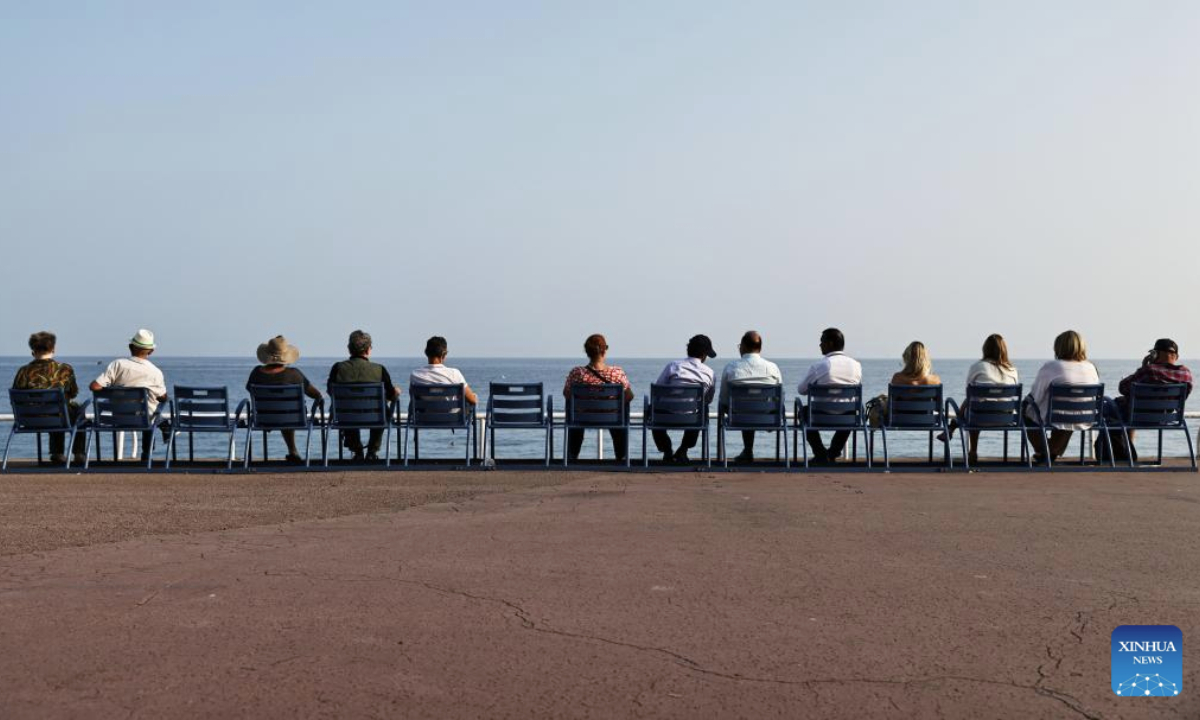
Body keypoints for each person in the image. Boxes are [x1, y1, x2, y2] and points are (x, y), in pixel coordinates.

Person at [1104, 338, 1193, 461]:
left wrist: (1143, 367)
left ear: (1155, 354)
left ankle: (1122, 453)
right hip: (1166, 417)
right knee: (1130, 406)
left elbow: (1123, 387)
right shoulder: (1186, 374)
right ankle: (1126, 451)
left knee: (1110, 406)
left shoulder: (1149, 370)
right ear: (1176, 356)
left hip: (1138, 416)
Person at [90, 329, 169, 461]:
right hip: (143, 419)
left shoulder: (117, 365)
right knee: (152, 412)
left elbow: (94, 386)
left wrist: (113, 391)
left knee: (148, 412)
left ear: (130, 347)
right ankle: (147, 454)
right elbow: (163, 397)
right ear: (151, 351)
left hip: (116, 418)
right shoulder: (155, 372)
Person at [1025, 330, 1101, 464]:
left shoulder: (1052, 366)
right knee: (1069, 412)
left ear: (1058, 347)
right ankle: (1052, 451)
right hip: (1084, 417)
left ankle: (1043, 451)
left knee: (1025, 411)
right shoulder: (1091, 367)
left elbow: (1036, 396)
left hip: (1058, 416)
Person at [11, 331, 85, 465]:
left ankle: (57, 453)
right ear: (53, 349)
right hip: (57, 416)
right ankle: (78, 453)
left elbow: (17, 397)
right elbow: (73, 392)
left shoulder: (23, 371)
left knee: (57, 409)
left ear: (33, 351)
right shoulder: (64, 369)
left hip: (29, 419)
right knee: (75, 410)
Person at [246, 335, 323, 463]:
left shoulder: (256, 373)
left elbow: (250, 390)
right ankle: (293, 451)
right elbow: (315, 394)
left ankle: (293, 451)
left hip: (263, 418)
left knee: (282, 410)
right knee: (286, 411)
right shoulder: (294, 374)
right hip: (291, 418)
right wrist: (320, 396)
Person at [327, 330, 401, 461]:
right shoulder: (379, 369)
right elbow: (390, 394)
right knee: (383, 410)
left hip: (345, 417)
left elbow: (330, 391)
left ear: (349, 349)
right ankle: (372, 451)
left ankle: (357, 450)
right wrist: (396, 392)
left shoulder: (337, 368)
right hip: (375, 417)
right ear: (368, 350)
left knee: (347, 407)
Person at [948, 334, 1019, 465]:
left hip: (979, 418)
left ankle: (972, 450)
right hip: (1006, 419)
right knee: (976, 406)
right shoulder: (1012, 370)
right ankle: (954, 426)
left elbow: (968, 392)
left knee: (974, 406)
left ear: (985, 349)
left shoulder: (978, 367)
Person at [563, 334, 635, 461]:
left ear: (587, 352)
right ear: (604, 350)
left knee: (574, 412)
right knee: (619, 414)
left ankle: (572, 456)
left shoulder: (577, 373)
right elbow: (629, 396)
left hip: (583, 418)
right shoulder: (616, 372)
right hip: (612, 418)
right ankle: (621, 457)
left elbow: (567, 394)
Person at [797, 328, 862, 464]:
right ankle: (832, 452)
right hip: (847, 417)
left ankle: (820, 453)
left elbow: (801, 390)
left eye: (822, 342)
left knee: (803, 412)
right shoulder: (856, 366)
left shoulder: (819, 366)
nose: (820, 345)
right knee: (856, 410)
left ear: (830, 344)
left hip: (820, 416)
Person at [718, 330, 783, 462]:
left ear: (743, 347)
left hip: (737, 417)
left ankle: (747, 451)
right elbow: (779, 397)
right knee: (753, 405)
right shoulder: (773, 368)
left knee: (743, 406)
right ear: (760, 348)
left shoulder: (731, 367)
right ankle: (748, 451)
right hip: (767, 418)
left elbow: (723, 398)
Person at [651, 335, 717, 463]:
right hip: (692, 419)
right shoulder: (710, 373)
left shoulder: (672, 366)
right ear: (703, 355)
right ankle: (683, 449)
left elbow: (657, 391)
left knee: (653, 408)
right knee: (703, 408)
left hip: (665, 417)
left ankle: (666, 450)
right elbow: (708, 399)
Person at [409, 336, 478, 405]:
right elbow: (472, 400)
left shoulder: (415, 375)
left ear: (426, 353)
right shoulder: (454, 374)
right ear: (443, 354)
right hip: (452, 415)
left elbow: (413, 398)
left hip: (424, 415)